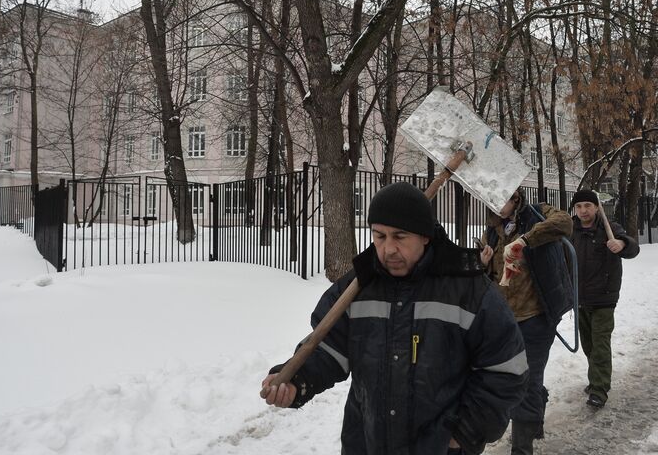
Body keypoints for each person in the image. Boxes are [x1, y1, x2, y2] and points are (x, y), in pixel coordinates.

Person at [261, 182, 529, 455]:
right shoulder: (356, 288)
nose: (388, 249)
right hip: (366, 444)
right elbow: (329, 349)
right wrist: (298, 379)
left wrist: (466, 431)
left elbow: (506, 369)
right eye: (379, 236)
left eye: (400, 237)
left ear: (425, 236)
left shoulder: (468, 290)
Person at [479, 188, 573, 455]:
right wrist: (483, 263)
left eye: (501, 199)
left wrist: (527, 240)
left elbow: (565, 223)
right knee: (517, 378)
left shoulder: (538, 213)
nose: (497, 205)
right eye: (492, 201)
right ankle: (536, 416)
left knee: (527, 381)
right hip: (507, 319)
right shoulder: (493, 231)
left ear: (515, 199)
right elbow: (493, 276)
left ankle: (522, 448)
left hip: (537, 316)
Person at [570, 190, 639, 408]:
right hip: (580, 298)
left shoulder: (610, 228)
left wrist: (622, 244)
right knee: (588, 345)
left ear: (597, 207)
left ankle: (599, 389)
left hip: (604, 297)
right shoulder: (570, 230)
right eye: (579, 206)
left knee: (600, 344)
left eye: (587, 206)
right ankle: (596, 379)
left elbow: (633, 248)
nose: (583, 210)